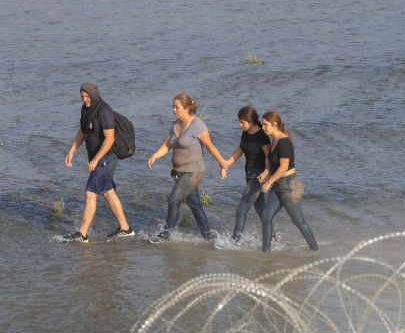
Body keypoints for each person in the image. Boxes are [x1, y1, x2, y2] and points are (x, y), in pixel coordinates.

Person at [146, 93, 228, 242]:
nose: (174, 110)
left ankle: (166, 234)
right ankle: (208, 235)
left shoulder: (197, 125)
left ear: (186, 108)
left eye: (176, 107)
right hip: (179, 172)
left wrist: (222, 163)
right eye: (173, 107)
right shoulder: (174, 124)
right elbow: (167, 145)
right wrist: (155, 156)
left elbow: (210, 146)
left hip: (194, 172)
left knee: (173, 200)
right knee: (195, 204)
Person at [63, 81, 134, 242]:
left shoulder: (104, 111)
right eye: (82, 97)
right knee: (108, 192)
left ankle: (82, 234)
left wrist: (95, 160)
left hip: (106, 158)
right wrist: (72, 150)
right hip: (97, 158)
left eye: (87, 96)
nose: (85, 100)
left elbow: (109, 139)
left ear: (94, 95)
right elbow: (83, 131)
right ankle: (125, 228)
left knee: (90, 192)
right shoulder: (85, 109)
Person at [220, 105, 281, 248]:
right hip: (248, 175)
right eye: (239, 122)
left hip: (258, 177)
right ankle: (274, 240)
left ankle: (233, 243)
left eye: (243, 122)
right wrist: (227, 164)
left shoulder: (262, 136)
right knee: (262, 212)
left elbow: (269, 158)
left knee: (241, 210)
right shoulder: (246, 133)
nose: (241, 125)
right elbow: (240, 150)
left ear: (252, 121)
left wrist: (266, 174)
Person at [258, 111, 318, 251]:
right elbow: (272, 162)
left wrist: (268, 182)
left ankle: (315, 251)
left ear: (275, 125)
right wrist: (266, 172)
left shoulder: (284, 141)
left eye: (265, 125)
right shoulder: (275, 140)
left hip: (290, 186)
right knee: (266, 216)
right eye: (262, 124)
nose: (263, 127)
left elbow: (284, 167)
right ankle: (266, 252)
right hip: (279, 185)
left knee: (298, 221)